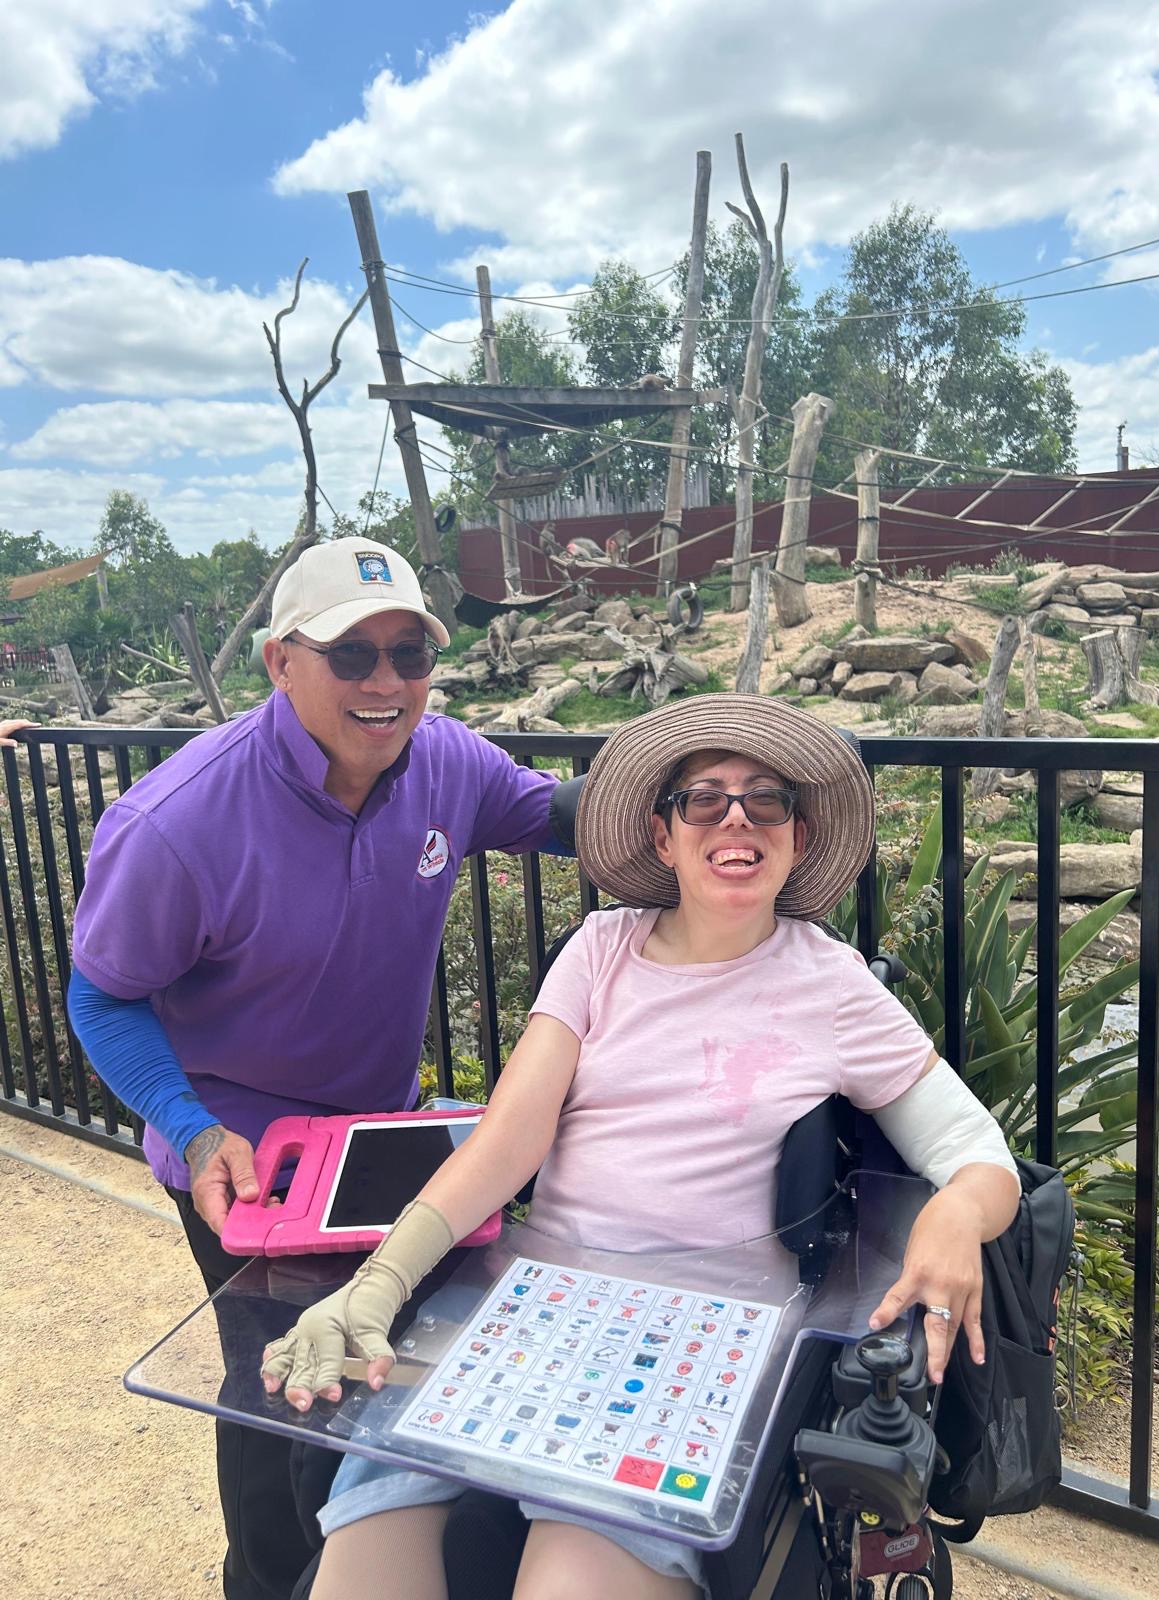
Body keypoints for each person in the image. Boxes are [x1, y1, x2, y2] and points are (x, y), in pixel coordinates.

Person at [261, 692, 1021, 1600]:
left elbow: (979, 1154)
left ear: (798, 836)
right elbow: (506, 1144)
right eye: (704, 799)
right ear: (664, 839)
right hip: (540, 1303)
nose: (735, 819)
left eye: (765, 800)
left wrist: (953, 1217)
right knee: (363, 1558)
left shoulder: (835, 985)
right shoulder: (600, 949)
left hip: (700, 1334)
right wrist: (380, 1281)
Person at [66, 537, 579, 1600]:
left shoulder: (446, 760)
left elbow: (563, 816)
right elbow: (101, 993)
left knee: (378, 1364)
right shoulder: (174, 824)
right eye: (352, 655)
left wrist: (717, 791)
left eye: (409, 653)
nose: (387, 682)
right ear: (279, 661)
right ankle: (260, 1583)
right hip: (244, 1151)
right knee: (279, 1387)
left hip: (382, 1130)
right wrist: (192, 1125)